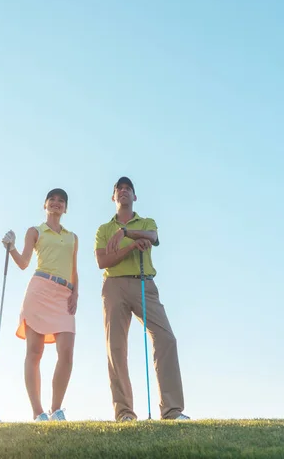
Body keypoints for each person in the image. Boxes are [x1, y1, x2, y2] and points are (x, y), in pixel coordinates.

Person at [94, 177, 189, 422]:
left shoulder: (146, 221)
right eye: (119, 189)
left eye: (128, 189)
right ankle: (124, 413)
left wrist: (126, 232)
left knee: (166, 338)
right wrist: (131, 245)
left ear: (134, 197)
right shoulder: (103, 229)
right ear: (113, 197)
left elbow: (153, 236)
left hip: (144, 284)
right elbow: (102, 261)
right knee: (116, 347)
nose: (123, 191)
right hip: (114, 286)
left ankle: (172, 410)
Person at [2, 188, 78, 422]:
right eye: (52, 200)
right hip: (39, 291)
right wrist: (11, 247)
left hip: (63, 294)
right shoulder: (35, 231)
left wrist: (76, 292)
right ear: (45, 205)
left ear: (65, 208)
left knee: (66, 353)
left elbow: (74, 269)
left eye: (61, 201)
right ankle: (38, 412)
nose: (56, 203)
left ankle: (56, 410)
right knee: (35, 352)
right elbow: (24, 263)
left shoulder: (72, 237)